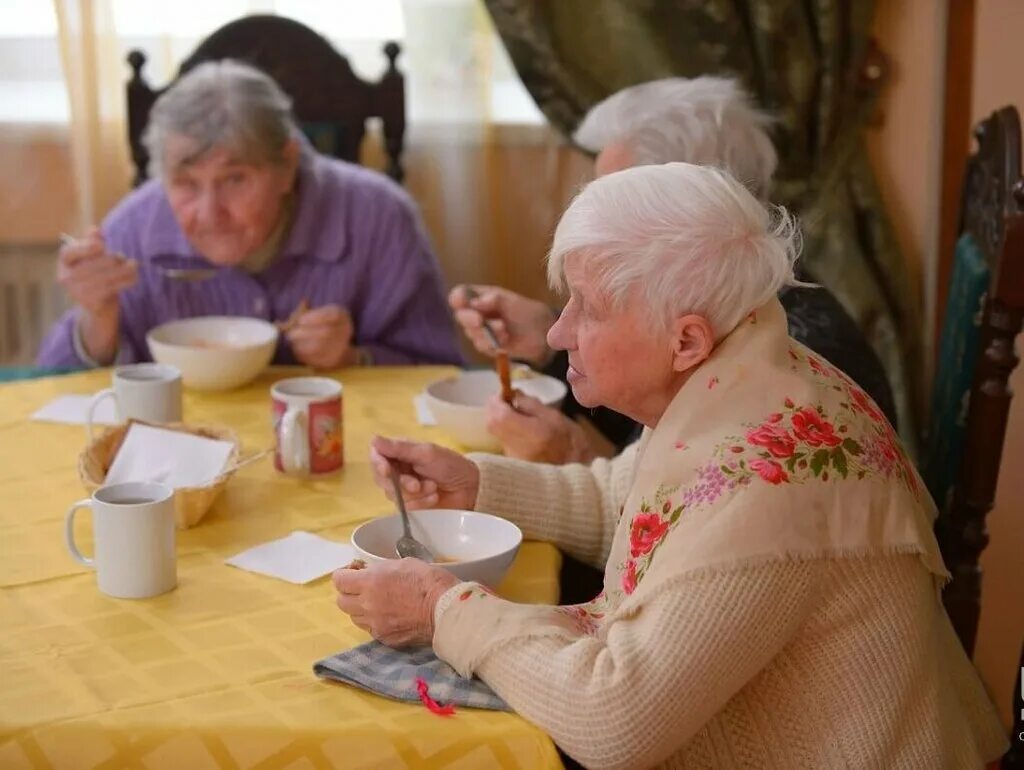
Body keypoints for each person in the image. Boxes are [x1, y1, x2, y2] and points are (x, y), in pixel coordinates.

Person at [333, 164, 1006, 769]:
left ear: (685, 339)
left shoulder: (768, 484)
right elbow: (635, 507)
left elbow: (614, 723)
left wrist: (441, 610)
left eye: (587, 308)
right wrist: (479, 484)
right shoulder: (750, 373)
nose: (560, 332)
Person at [449, 76, 896, 464]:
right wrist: (549, 340)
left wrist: (571, 456)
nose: (597, 208)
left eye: (619, 192)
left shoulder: (781, 365)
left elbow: (666, 521)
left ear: (684, 196)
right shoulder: (749, 294)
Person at [38, 60, 462, 370]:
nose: (209, 214)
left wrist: (354, 358)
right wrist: (97, 322)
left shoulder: (379, 217)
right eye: (186, 184)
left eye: (235, 179)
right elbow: (52, 392)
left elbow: (440, 372)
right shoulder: (133, 227)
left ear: (287, 165)